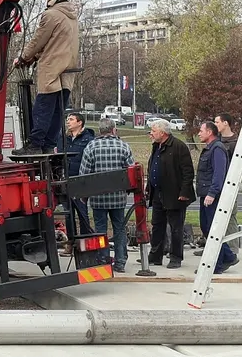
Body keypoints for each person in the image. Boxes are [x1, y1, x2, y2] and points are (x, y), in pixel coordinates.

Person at [12, 0, 79, 155]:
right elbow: (52, 43)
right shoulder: (71, 17)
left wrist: (23, 57)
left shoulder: (51, 15)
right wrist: (33, 57)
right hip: (67, 71)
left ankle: (34, 146)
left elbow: (38, 41)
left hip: (52, 69)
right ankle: (48, 145)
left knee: (43, 109)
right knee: (57, 111)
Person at [79, 118, 135, 272]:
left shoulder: (91, 147)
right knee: (119, 229)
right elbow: (131, 172)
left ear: (100, 130)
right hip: (118, 198)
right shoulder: (123, 146)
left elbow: (84, 174)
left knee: (100, 230)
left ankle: (103, 260)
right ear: (114, 130)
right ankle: (120, 262)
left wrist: (85, 196)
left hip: (98, 198)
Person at [145, 118, 195, 269]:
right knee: (157, 225)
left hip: (174, 194)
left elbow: (188, 172)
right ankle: (155, 256)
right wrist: (149, 188)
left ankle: (175, 257)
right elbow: (153, 167)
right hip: (157, 193)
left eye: (153, 131)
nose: (151, 134)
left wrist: (184, 192)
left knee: (176, 227)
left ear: (163, 132)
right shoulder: (156, 146)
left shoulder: (179, 147)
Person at [196, 121, 238, 274]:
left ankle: (217, 263)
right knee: (206, 227)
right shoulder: (209, 148)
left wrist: (212, 193)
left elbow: (219, 174)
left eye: (201, 130)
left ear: (209, 132)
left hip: (212, 196)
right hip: (205, 194)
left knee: (213, 229)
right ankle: (228, 256)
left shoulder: (217, 149)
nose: (199, 133)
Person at [213, 112, 242, 254]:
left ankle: (232, 248)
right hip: (216, 183)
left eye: (217, 122)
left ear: (226, 123)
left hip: (230, 183)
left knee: (229, 215)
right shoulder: (216, 141)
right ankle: (212, 245)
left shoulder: (236, 142)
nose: (215, 124)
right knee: (212, 215)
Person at [64, 113, 95, 236]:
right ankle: (71, 241)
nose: (68, 122)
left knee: (82, 212)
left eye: (71, 119)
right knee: (68, 213)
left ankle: (84, 239)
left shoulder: (88, 139)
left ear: (79, 122)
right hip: (66, 180)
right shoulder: (64, 138)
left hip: (81, 180)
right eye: (67, 119)